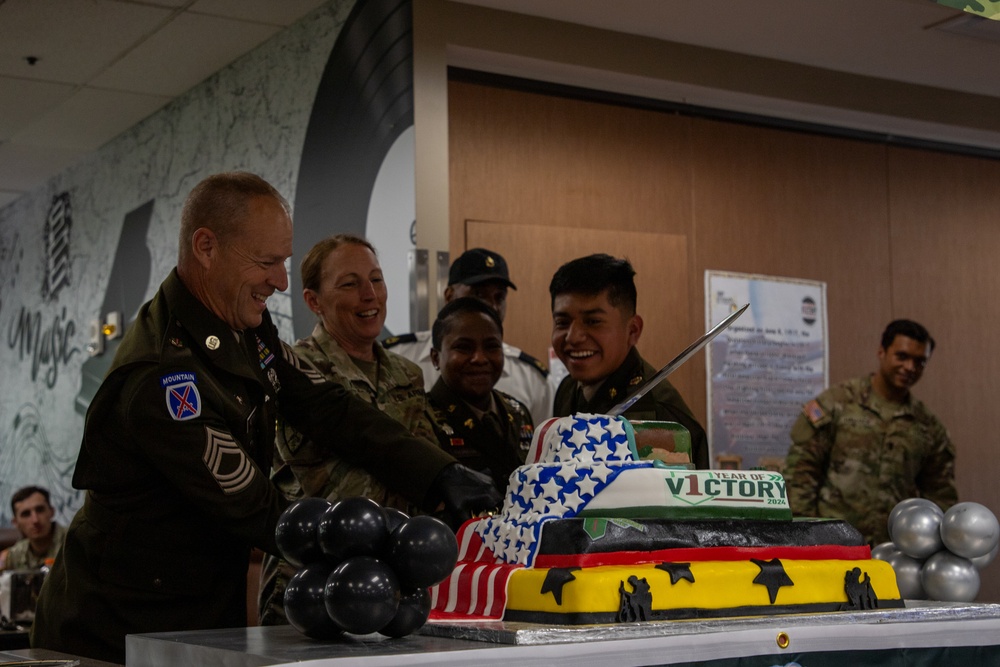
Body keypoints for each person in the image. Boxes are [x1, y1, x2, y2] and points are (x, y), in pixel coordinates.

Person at [29, 172, 499, 664]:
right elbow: (256, 507)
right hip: (117, 629)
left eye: (285, 262)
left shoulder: (244, 329)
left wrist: (437, 470)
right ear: (206, 247)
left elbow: (327, 406)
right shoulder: (164, 376)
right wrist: (388, 551)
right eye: (267, 262)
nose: (280, 281)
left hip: (196, 615)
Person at [258, 233, 443, 625]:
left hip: (393, 578)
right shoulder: (292, 371)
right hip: (311, 578)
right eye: (350, 283)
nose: (369, 295)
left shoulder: (407, 374)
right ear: (313, 301)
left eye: (376, 279)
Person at [783, 319, 957, 545]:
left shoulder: (928, 426)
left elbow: (940, 495)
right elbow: (801, 473)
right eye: (902, 356)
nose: (910, 367)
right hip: (833, 545)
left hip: (894, 551)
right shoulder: (838, 403)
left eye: (920, 361)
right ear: (882, 352)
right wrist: (804, 536)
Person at [549, 253, 709, 469]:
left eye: (593, 321)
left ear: (632, 330)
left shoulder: (665, 419)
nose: (573, 337)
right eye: (562, 322)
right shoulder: (567, 390)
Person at [384, 248, 552, 422]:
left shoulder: (531, 379)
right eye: (478, 294)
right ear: (449, 296)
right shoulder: (398, 357)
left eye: (499, 297)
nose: (492, 306)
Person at [427, 297, 535, 493]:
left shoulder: (518, 413)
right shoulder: (421, 417)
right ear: (436, 358)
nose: (479, 358)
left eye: (491, 346)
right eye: (464, 347)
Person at [0, 486, 67, 572]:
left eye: (40, 510)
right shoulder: (14, 554)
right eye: (26, 514)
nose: (35, 520)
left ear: (52, 512)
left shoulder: (75, 541)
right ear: (16, 523)